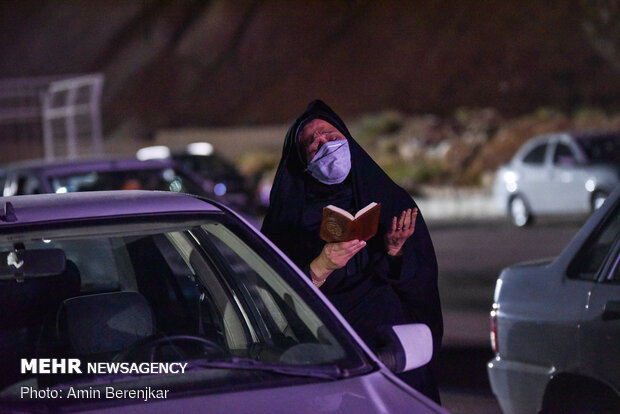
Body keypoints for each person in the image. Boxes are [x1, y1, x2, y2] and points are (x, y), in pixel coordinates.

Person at [261, 100, 443, 403]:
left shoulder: (390, 198)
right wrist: (320, 267)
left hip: (392, 352)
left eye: (330, 135)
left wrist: (395, 253)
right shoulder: (287, 221)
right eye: (311, 142)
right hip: (327, 355)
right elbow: (273, 306)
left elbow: (421, 289)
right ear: (301, 160)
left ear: (348, 138)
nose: (323, 143)